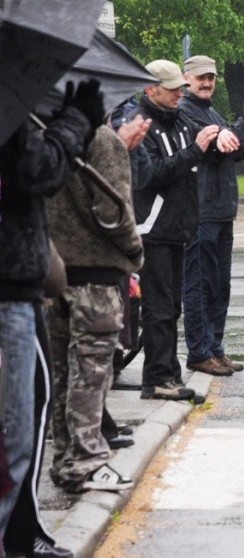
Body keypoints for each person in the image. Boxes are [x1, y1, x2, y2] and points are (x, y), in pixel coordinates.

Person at [0, 80, 103, 557]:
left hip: (17, 283)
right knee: (17, 428)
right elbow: (35, 171)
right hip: (9, 290)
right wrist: (75, 122)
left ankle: (22, 531)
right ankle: (16, 534)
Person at [129, 59, 241, 401]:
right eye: (173, 88)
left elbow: (208, 134)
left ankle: (170, 373)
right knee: (159, 308)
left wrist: (234, 129)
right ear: (151, 89)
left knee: (173, 307)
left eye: (181, 87)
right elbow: (149, 175)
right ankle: (157, 378)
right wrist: (196, 149)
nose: (180, 93)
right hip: (153, 228)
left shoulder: (181, 119)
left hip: (181, 226)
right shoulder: (141, 125)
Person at [45, 119, 145, 494]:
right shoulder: (103, 141)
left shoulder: (47, 136)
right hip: (98, 276)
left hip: (56, 273)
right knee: (91, 374)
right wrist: (135, 250)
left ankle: (64, 458)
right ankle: (86, 461)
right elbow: (115, 210)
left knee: (62, 375)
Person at [178, 56, 244, 378]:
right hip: (200, 211)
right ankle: (199, 351)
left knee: (219, 284)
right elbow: (216, 146)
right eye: (200, 78)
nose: (207, 83)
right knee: (198, 285)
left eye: (210, 77)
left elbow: (236, 148)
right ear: (186, 79)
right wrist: (242, 122)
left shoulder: (210, 111)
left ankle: (215, 349)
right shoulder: (184, 113)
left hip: (221, 210)